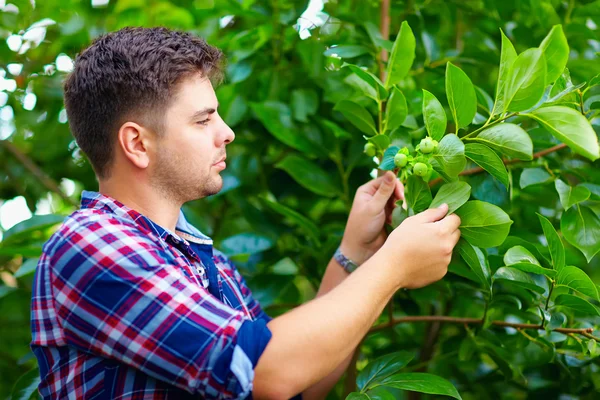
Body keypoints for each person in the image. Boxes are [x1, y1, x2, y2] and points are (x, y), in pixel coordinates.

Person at [30, 27, 461, 400]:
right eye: (203, 121)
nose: (226, 133)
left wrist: (355, 253)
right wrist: (394, 265)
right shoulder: (90, 244)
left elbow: (297, 384)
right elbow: (268, 370)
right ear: (137, 144)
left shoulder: (204, 261)